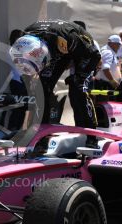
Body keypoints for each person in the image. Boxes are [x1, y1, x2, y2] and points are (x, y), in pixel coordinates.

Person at [9, 19, 101, 148]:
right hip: (56, 50)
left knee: (79, 88)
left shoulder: (68, 37)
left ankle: (92, 136)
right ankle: (41, 138)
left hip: (85, 53)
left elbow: (94, 55)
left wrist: (80, 76)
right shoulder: (26, 38)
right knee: (41, 90)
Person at [8, 29, 28, 130]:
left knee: (22, 107)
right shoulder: (14, 50)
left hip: (20, 81)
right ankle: (12, 128)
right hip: (17, 82)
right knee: (18, 107)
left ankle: (17, 129)